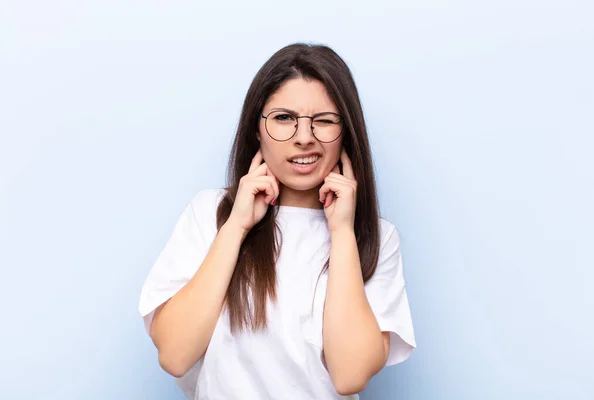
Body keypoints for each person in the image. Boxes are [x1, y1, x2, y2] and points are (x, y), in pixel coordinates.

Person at [138, 43, 416, 400]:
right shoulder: (210, 215)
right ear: (257, 128)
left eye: (324, 121)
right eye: (284, 118)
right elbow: (175, 354)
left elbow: (349, 376)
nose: (304, 138)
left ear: (346, 131)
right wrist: (236, 227)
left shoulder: (375, 238)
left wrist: (342, 233)